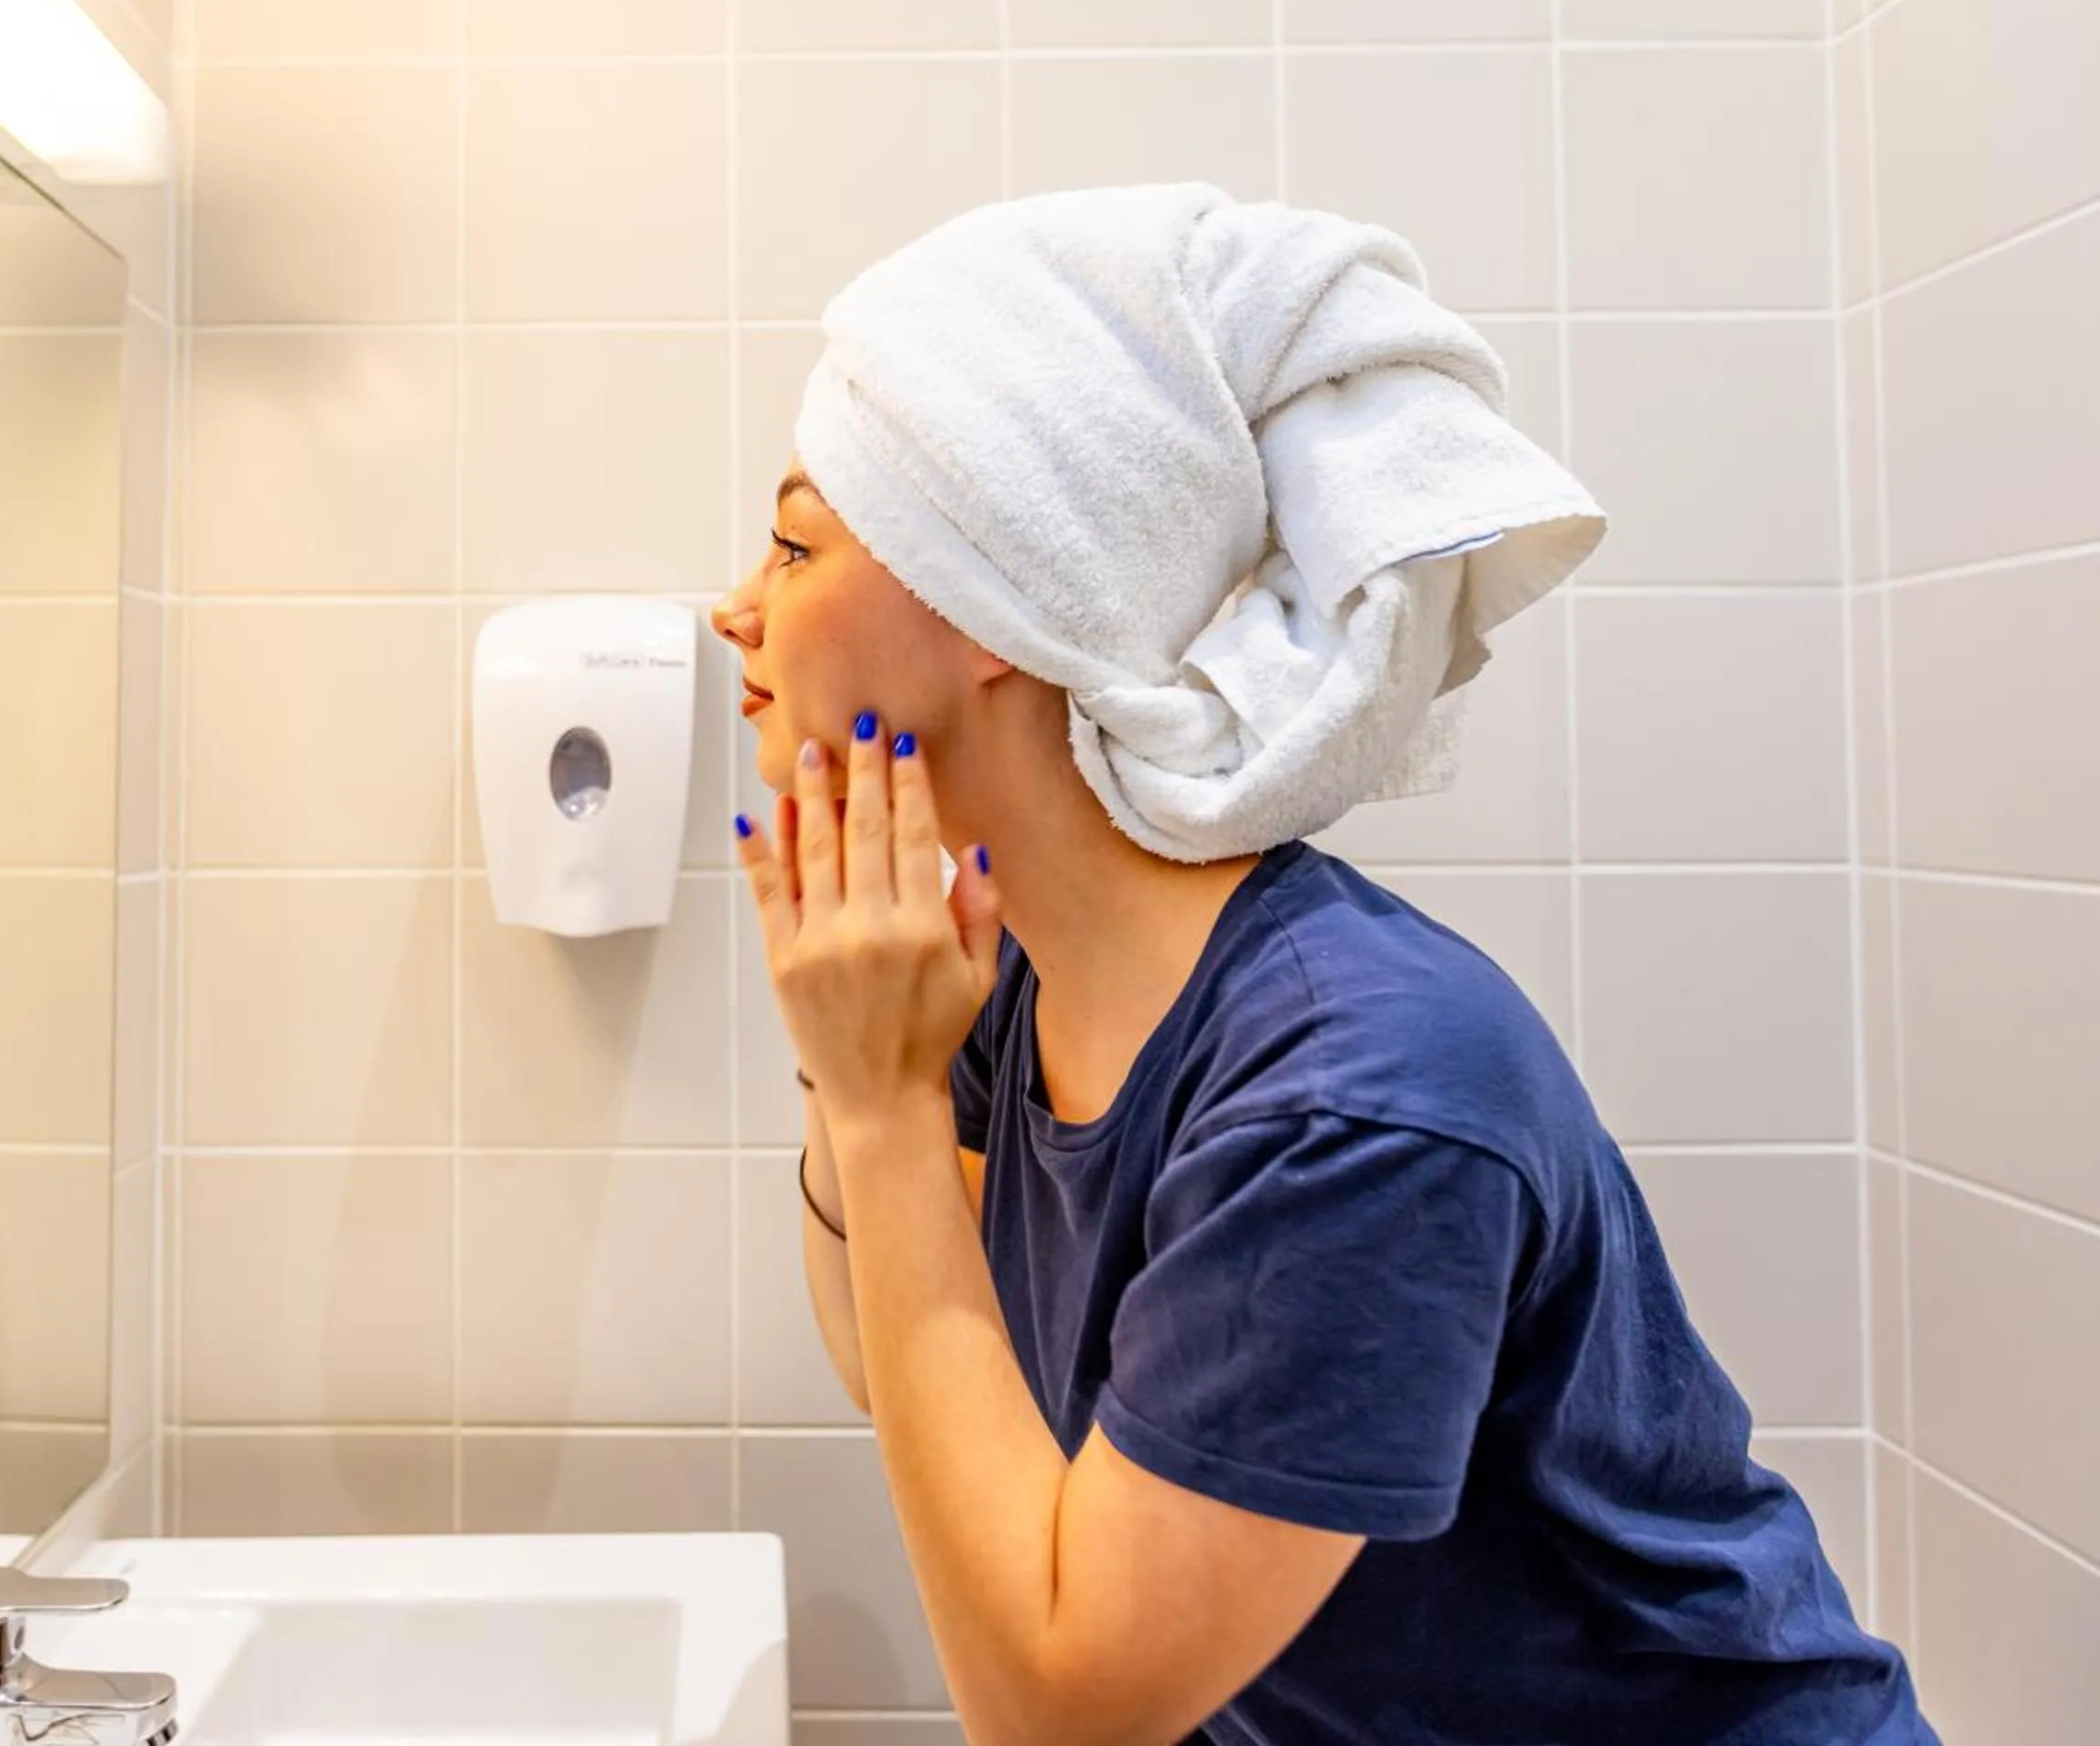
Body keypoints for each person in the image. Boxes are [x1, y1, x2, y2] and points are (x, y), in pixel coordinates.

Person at [710, 186, 1931, 1746]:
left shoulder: (1358, 1087)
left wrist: (879, 1104)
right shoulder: (1003, 983)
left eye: (796, 541)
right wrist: (846, 1047)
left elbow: (1063, 1707)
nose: (736, 607)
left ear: (993, 606)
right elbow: (897, 1366)